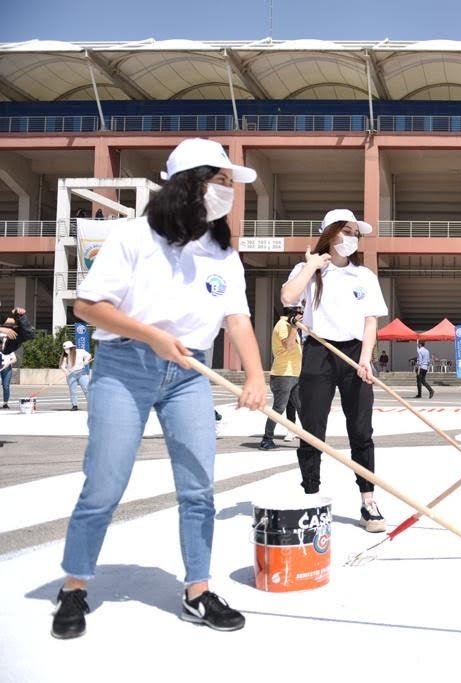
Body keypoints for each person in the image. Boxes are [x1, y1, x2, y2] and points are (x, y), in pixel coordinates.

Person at [53, 138, 265, 639]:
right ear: (187, 185)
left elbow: (237, 318)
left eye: (230, 184)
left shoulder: (222, 253)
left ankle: (197, 591)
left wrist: (255, 376)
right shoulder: (132, 237)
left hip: (190, 375)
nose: (227, 192)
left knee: (198, 488)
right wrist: (151, 336)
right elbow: (88, 306)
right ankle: (75, 587)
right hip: (125, 368)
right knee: (105, 483)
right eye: (220, 181)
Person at [281, 208, 388, 533]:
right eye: (346, 231)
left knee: (361, 429)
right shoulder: (308, 269)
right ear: (330, 233)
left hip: (355, 353)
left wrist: (366, 358)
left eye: (356, 233)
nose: (352, 238)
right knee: (312, 429)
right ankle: (311, 498)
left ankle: (368, 502)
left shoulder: (364, 276)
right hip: (319, 350)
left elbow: (371, 319)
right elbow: (287, 296)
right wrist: (312, 265)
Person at [259, 306, 303, 450]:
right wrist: (295, 327)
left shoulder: (290, 326)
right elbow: (288, 346)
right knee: (278, 408)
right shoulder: (283, 325)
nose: (302, 316)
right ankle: (267, 439)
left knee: (302, 408)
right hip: (283, 375)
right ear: (293, 314)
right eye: (300, 313)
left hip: (294, 374)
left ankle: (311, 439)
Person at [59, 341, 92, 411]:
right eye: (65, 349)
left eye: (67, 349)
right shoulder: (65, 356)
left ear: (72, 348)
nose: (66, 350)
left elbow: (89, 355)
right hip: (71, 375)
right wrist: (66, 371)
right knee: (73, 390)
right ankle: (74, 405)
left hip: (82, 373)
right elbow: (62, 366)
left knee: (86, 389)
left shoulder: (80, 351)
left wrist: (86, 360)